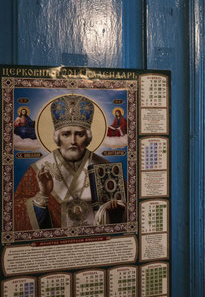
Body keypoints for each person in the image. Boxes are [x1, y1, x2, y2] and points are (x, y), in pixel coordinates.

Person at [14, 95, 125, 230]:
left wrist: (115, 212)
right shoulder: (38, 170)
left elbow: (127, 213)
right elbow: (18, 214)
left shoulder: (106, 168)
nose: (73, 141)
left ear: (87, 138)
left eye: (79, 134)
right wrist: (43, 195)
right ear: (58, 138)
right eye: (66, 134)